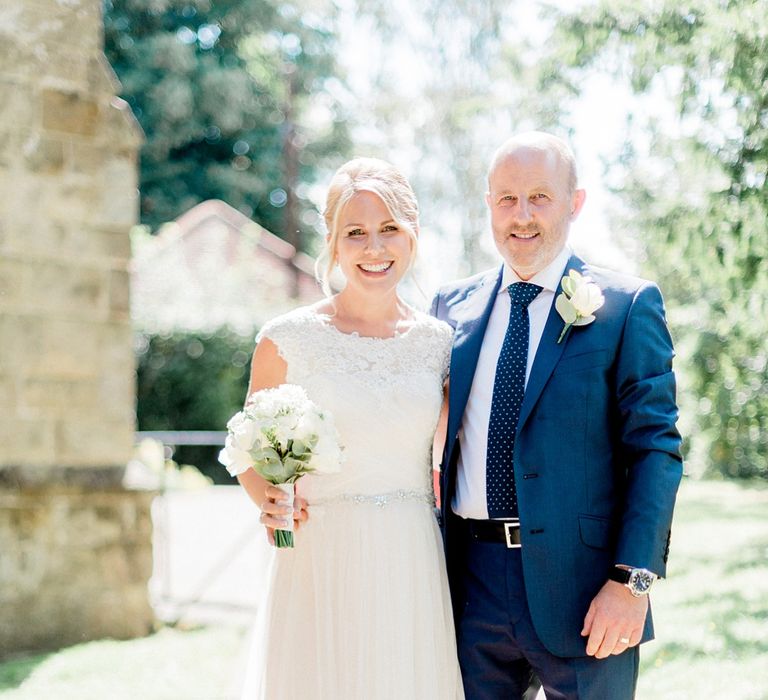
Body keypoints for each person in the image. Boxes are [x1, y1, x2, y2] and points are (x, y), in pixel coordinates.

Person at [431, 131, 683, 699]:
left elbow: (656, 451)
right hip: (469, 588)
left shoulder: (627, 305)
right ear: (489, 204)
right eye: (506, 198)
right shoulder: (450, 307)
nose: (521, 216)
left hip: (588, 592)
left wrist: (632, 582)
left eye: (540, 197)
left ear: (575, 202)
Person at [236, 157, 464, 699]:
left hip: (410, 553)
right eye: (355, 233)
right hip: (319, 556)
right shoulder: (287, 338)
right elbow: (246, 447)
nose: (374, 248)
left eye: (389, 229)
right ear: (334, 243)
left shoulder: (440, 344)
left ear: (413, 235)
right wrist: (268, 500)